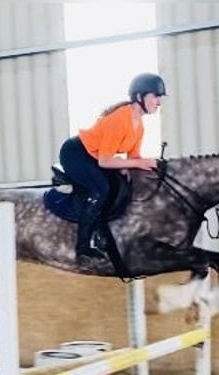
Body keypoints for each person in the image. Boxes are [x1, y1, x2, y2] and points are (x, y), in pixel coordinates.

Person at [58, 72, 166, 260]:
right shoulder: (119, 119)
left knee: (120, 185)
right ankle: (83, 245)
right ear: (140, 97)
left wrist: (152, 166)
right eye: (155, 97)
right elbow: (105, 161)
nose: (159, 102)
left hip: (94, 156)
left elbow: (134, 157)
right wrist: (138, 163)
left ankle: (104, 234)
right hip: (75, 153)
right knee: (101, 189)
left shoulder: (139, 125)